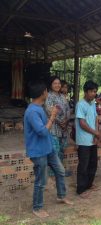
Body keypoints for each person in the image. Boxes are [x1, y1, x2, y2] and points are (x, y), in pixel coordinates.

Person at [24, 80, 73, 218]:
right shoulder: (32, 111)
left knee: (60, 171)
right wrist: (52, 116)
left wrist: (52, 114)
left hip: (48, 147)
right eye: (46, 90)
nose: (47, 92)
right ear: (43, 93)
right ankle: (37, 207)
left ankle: (61, 196)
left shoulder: (39, 107)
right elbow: (43, 131)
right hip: (38, 151)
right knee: (41, 181)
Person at [75, 80, 100, 198]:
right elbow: (82, 123)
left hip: (92, 140)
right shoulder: (80, 104)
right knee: (83, 165)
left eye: (95, 91)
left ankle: (89, 184)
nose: (94, 94)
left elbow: (95, 119)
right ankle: (80, 189)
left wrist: (96, 135)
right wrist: (95, 132)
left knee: (93, 164)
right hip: (83, 141)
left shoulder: (92, 104)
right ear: (86, 91)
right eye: (92, 91)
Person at [45, 76, 71, 176]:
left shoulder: (62, 96)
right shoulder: (49, 96)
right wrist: (61, 122)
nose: (57, 85)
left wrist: (66, 121)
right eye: (55, 83)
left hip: (64, 129)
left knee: (62, 149)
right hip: (54, 129)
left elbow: (68, 110)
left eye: (59, 83)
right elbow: (49, 110)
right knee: (55, 150)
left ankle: (59, 171)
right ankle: (53, 172)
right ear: (51, 85)